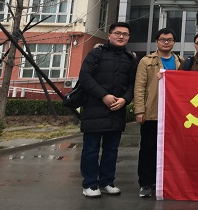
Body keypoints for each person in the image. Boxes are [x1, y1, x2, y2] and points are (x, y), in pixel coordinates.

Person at [78, 22, 137, 198]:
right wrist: (104, 95)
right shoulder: (96, 53)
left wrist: (125, 99)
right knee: (91, 149)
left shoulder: (130, 58)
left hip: (117, 110)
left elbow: (133, 83)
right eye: (118, 33)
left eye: (125, 34)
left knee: (112, 150)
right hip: (94, 108)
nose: (121, 36)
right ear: (109, 35)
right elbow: (85, 77)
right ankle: (90, 184)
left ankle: (107, 182)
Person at [134, 28, 183, 198]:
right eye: (163, 39)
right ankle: (145, 183)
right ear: (157, 41)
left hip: (173, 114)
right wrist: (139, 110)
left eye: (169, 40)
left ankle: (163, 181)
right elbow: (139, 87)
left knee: (171, 150)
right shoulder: (146, 61)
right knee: (148, 149)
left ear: (174, 42)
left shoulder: (180, 62)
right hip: (153, 112)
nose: (166, 42)